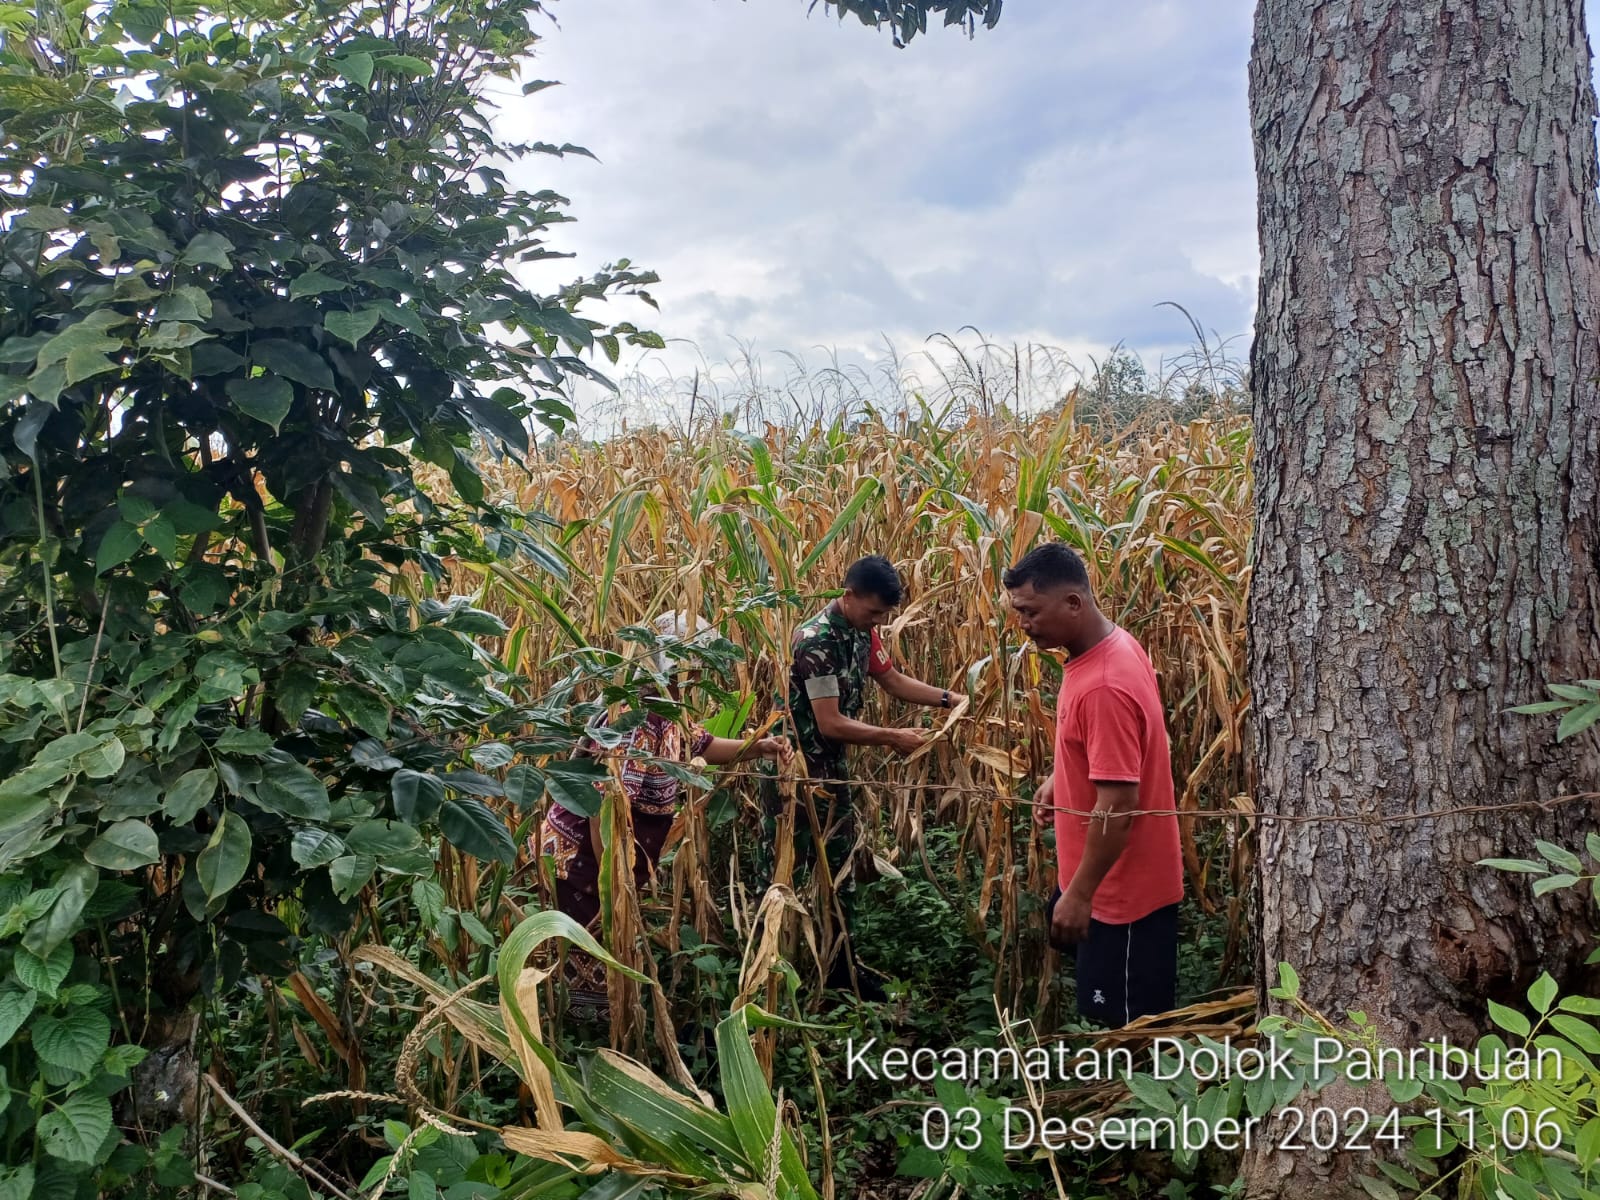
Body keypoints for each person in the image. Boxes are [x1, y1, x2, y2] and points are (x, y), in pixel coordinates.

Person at [536, 613, 792, 1022]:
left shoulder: (666, 705)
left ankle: (596, 1027)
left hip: (607, 858)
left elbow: (700, 743)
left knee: (604, 952)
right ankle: (579, 1041)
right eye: (693, 662)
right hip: (584, 860)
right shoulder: (636, 716)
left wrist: (759, 747)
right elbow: (608, 804)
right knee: (585, 957)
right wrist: (611, 878)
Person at [1002, 542, 1183, 1026]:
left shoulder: (1103, 684)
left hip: (1119, 899)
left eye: (1031, 612)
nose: (1024, 624)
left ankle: (1136, 1104)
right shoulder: (1112, 646)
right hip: (1110, 885)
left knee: (1126, 1033)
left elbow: (1120, 804)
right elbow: (1121, 749)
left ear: (1073, 603)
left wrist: (1078, 895)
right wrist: (1061, 778)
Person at [782, 554, 968, 994]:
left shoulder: (863, 632)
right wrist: (892, 737)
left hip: (833, 766)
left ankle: (840, 966)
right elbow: (830, 723)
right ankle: (794, 968)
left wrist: (951, 699)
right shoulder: (816, 642)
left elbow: (893, 680)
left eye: (884, 615)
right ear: (847, 596)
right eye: (873, 612)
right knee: (797, 866)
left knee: (840, 864)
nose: (879, 622)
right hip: (799, 771)